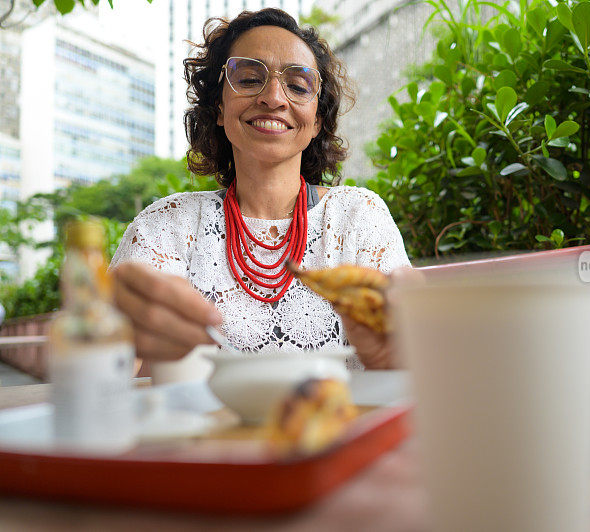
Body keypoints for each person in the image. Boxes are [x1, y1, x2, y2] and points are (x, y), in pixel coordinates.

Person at [110, 8, 410, 370]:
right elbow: (110, 377)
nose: (273, 97)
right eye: (250, 79)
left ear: (316, 120)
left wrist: (401, 352)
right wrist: (117, 340)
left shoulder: (360, 218)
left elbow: (408, 369)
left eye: (298, 86)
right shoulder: (165, 228)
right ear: (219, 107)